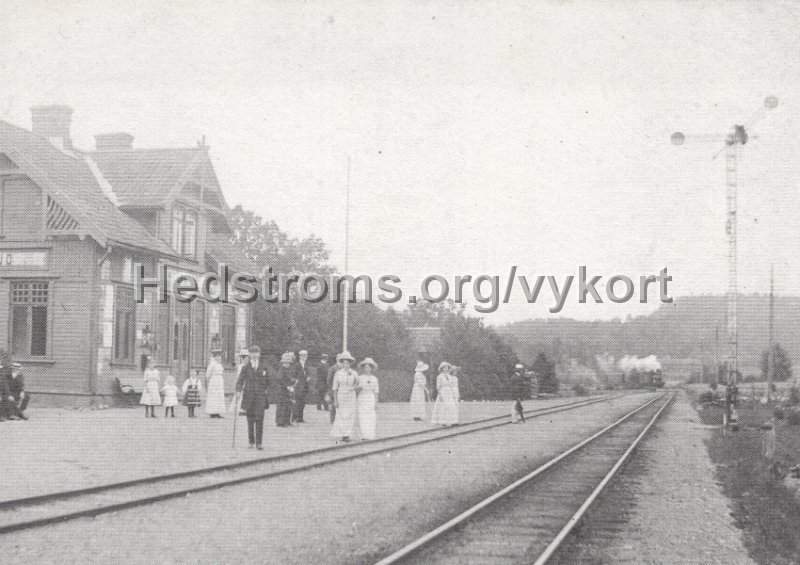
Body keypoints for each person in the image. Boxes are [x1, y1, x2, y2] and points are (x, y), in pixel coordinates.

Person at [236, 345, 270, 449]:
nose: (254, 355)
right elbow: (240, 380)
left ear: (259, 354)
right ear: (249, 354)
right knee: (250, 420)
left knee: (260, 419)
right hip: (248, 398)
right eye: (252, 353)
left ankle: (259, 443)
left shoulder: (264, 366)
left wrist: (265, 390)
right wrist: (238, 390)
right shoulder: (245, 367)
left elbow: (268, 380)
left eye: (256, 353)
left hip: (260, 397)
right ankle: (251, 441)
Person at [330, 351, 358, 442]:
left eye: (348, 362)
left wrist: (353, 388)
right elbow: (335, 387)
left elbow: (358, 383)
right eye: (344, 362)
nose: (346, 364)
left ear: (350, 363)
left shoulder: (354, 373)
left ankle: (347, 434)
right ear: (342, 363)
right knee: (341, 415)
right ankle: (342, 434)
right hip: (341, 395)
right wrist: (335, 400)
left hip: (350, 396)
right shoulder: (338, 373)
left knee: (350, 415)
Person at [357, 358, 380, 440]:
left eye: (369, 367)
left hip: (371, 398)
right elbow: (357, 388)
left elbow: (376, 391)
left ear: (371, 368)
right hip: (362, 397)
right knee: (363, 416)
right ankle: (363, 435)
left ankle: (370, 434)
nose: (367, 369)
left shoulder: (374, 379)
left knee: (371, 416)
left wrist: (376, 402)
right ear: (363, 368)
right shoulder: (360, 378)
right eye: (365, 367)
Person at [431, 362, 458, 426]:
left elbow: (451, 385)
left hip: (449, 392)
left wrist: (453, 393)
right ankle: (443, 421)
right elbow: (438, 387)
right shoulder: (439, 377)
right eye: (444, 367)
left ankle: (453, 421)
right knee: (443, 405)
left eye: (447, 367)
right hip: (443, 392)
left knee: (451, 405)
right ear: (442, 368)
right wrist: (440, 395)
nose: (446, 369)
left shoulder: (449, 376)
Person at [275, 352, 295, 427]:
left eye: (289, 363)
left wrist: (292, 381)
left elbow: (288, 379)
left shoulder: (287, 370)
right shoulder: (281, 370)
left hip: (286, 391)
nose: (288, 364)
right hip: (281, 391)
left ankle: (287, 421)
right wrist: (287, 386)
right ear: (283, 363)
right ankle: (280, 422)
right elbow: (280, 380)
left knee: (288, 406)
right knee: (282, 406)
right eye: (286, 363)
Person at [205, 349, 226, 418]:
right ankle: (212, 412)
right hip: (214, 381)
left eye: (219, 356)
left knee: (219, 396)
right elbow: (207, 375)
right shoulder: (212, 364)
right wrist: (207, 384)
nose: (218, 358)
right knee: (213, 396)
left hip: (219, 381)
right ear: (214, 357)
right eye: (217, 356)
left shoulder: (219, 365)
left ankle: (217, 412)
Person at [292, 350, 310, 423]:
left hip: (304, 387)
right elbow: (293, 376)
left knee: (302, 403)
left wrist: (308, 377)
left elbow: (307, 374)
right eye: (302, 355)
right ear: (299, 356)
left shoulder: (306, 365)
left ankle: (300, 418)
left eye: (305, 355)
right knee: (297, 403)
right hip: (298, 387)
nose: (304, 357)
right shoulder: (296, 365)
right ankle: (294, 418)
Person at [326, 355, 342, 424]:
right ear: (336, 359)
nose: (340, 359)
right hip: (334, 389)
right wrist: (331, 388)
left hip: (342, 389)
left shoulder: (345, 367)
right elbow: (328, 380)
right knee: (333, 404)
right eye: (339, 357)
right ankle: (332, 419)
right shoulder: (332, 368)